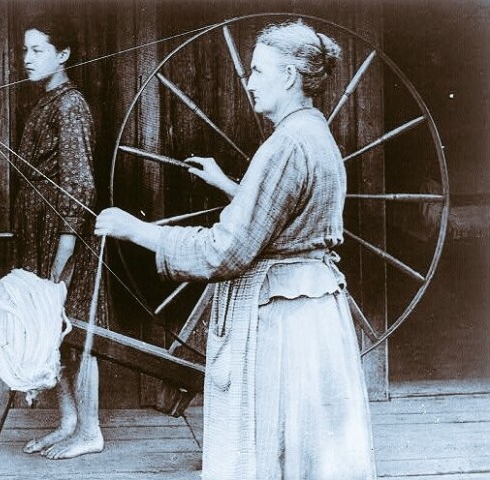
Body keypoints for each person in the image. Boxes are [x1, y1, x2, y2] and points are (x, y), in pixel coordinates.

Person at [95, 20, 377, 480]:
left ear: (288, 76)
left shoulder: (284, 144)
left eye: (258, 72)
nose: (249, 83)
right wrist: (230, 185)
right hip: (313, 315)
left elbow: (226, 251)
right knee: (308, 455)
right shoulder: (314, 135)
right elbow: (290, 218)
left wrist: (137, 231)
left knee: (268, 451)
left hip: (280, 322)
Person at [13, 13, 107, 460]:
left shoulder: (70, 106)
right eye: (24, 50)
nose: (26, 59)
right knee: (56, 329)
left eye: (37, 50)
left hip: (66, 235)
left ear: (63, 54)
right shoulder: (47, 102)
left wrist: (66, 245)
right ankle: (68, 422)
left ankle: (90, 430)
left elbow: (81, 183)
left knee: (77, 332)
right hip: (43, 232)